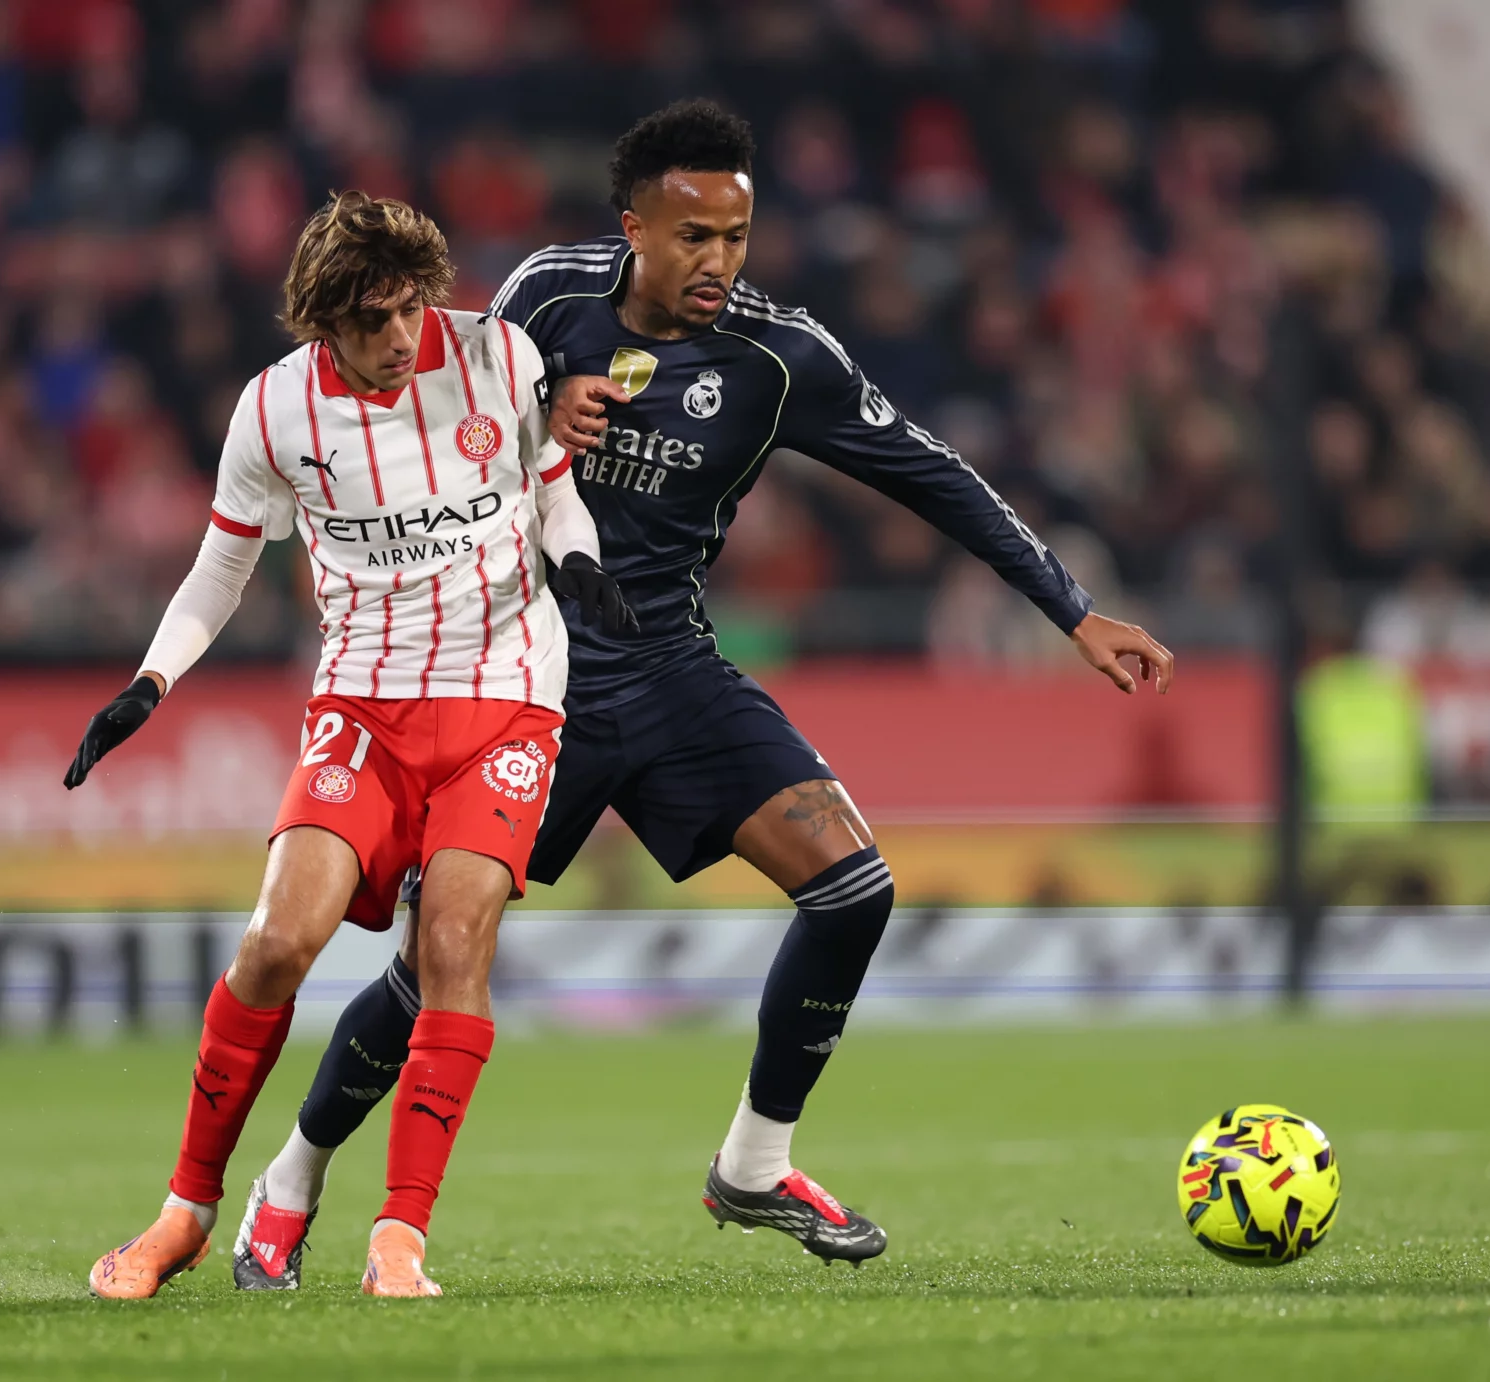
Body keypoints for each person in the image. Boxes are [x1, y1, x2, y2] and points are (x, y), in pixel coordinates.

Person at [238, 101, 1172, 1285]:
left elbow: (930, 472)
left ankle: (754, 1162)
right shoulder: (544, 298)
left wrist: (1073, 608)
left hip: (669, 666)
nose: (719, 260)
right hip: (524, 674)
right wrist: (535, 423)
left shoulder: (781, 358)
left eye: (736, 234)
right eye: (693, 236)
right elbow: (426, 423)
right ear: (633, 228)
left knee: (854, 886)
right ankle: (290, 1179)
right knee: (434, 964)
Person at [65, 191, 631, 1300]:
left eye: (411, 309)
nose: (400, 337)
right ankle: (185, 1213)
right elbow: (222, 567)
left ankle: (399, 1236)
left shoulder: (498, 358)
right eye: (372, 321)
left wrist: (580, 564)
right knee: (279, 942)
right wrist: (150, 681)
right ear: (324, 320)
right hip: (363, 707)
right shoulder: (274, 410)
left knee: (453, 942)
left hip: (506, 697)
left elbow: (556, 499)